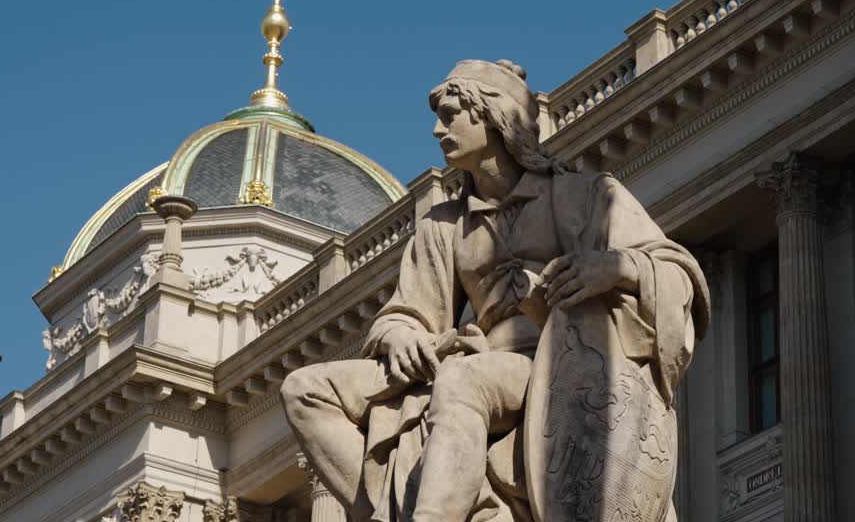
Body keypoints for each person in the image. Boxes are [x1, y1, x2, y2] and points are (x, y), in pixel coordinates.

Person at [281, 59, 708, 522]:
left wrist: (615, 267)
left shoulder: (585, 195)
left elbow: (676, 272)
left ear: (492, 115)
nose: (436, 130)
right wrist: (401, 335)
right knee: (304, 389)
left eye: (449, 115)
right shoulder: (442, 226)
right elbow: (407, 311)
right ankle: (397, 513)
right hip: (470, 357)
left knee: (464, 381)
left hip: (560, 364)